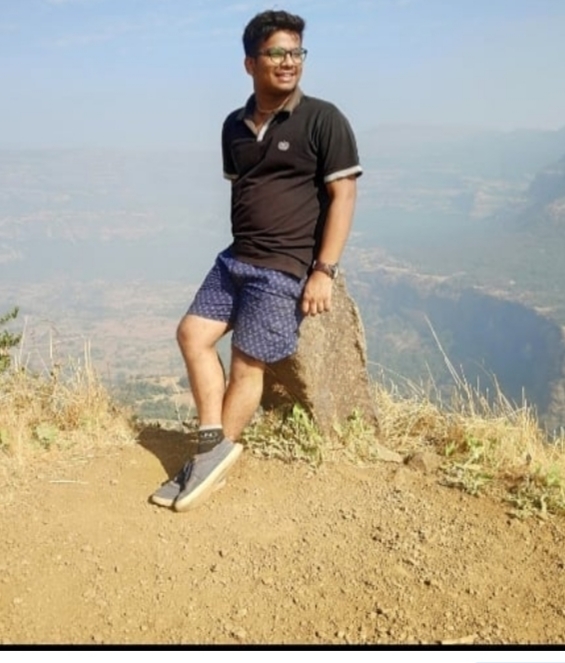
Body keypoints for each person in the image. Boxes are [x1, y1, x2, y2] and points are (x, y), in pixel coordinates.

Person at [151, 9, 362, 512]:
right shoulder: (234, 126)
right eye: (277, 53)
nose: (289, 62)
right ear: (250, 63)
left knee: (248, 361)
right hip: (236, 258)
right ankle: (212, 445)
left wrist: (323, 271)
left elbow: (345, 196)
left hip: (284, 266)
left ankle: (207, 461)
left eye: (296, 52)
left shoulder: (324, 119)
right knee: (192, 335)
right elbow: (244, 188)